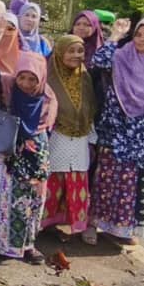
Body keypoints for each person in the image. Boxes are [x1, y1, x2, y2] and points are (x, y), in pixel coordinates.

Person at [85, 17, 144, 246]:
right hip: (115, 131)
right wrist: (116, 36)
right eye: (139, 34)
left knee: (134, 184)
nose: (142, 39)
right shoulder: (123, 55)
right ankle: (93, 223)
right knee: (106, 179)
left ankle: (123, 229)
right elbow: (98, 61)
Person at [0, 49, 58, 266]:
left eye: (33, 79)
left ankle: (28, 246)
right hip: (6, 156)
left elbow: (46, 128)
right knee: (1, 200)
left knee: (31, 203)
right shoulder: (5, 87)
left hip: (35, 159)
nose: (26, 83)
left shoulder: (48, 98)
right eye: (22, 77)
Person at [40, 35, 98, 241]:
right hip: (56, 137)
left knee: (77, 181)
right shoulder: (48, 75)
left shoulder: (85, 77)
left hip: (81, 138)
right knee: (54, 181)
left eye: (80, 51)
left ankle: (75, 225)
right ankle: (44, 223)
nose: (76, 56)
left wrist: (91, 139)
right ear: (60, 52)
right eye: (71, 51)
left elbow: (91, 108)